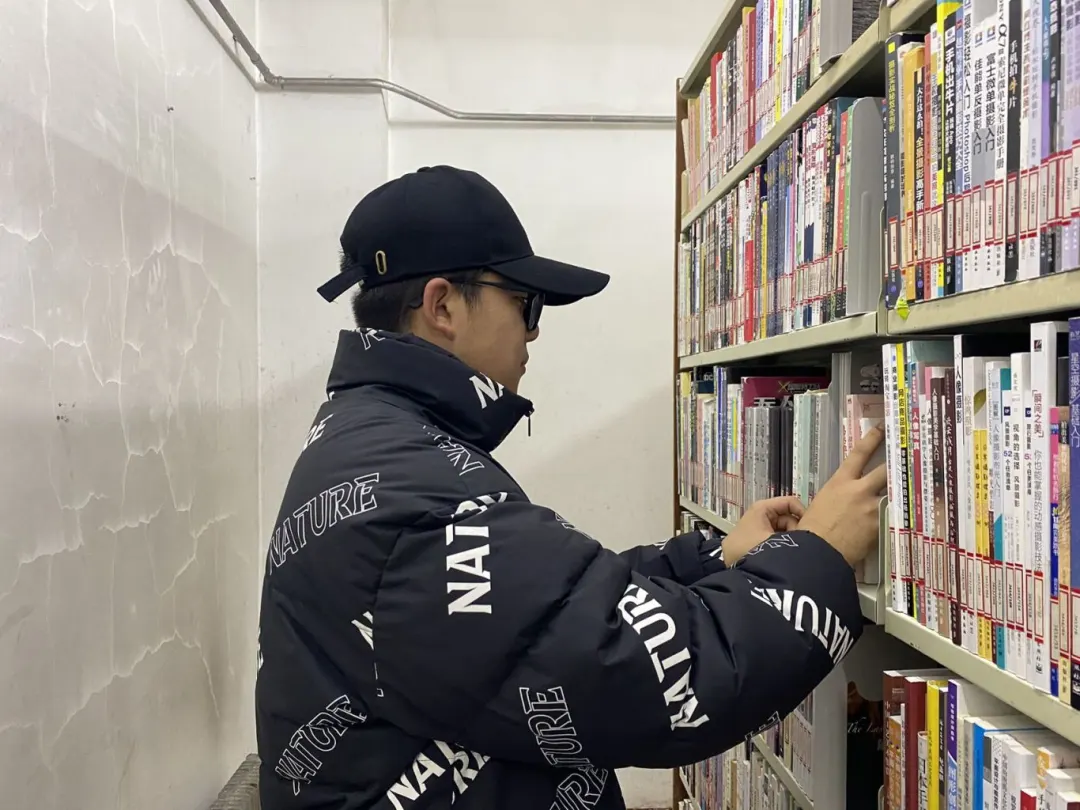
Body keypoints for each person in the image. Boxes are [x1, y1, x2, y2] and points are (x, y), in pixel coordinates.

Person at [254, 165, 887, 810]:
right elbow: (660, 677)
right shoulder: (415, 496)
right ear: (442, 307)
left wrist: (713, 560)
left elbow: (547, 608)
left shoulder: (375, 440)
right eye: (524, 304)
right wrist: (818, 557)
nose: (533, 331)